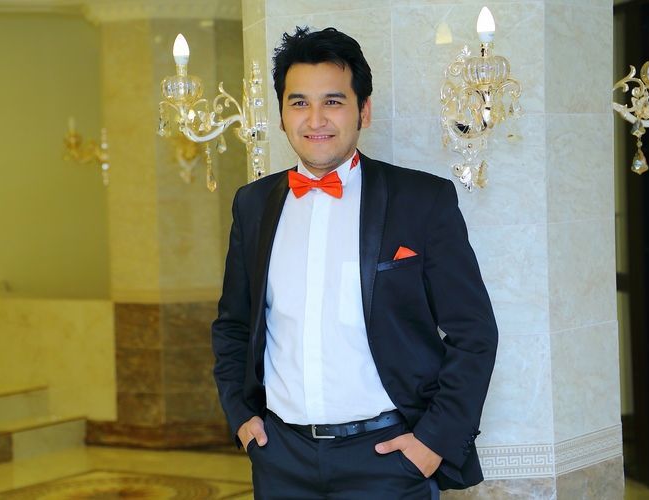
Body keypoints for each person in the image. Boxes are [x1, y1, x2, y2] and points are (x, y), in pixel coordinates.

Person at [212, 26, 498, 499]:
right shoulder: (252, 204)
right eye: (299, 103)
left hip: (388, 459)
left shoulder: (421, 201)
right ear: (281, 115)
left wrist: (432, 443)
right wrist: (242, 417)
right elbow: (234, 326)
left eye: (333, 101)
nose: (315, 119)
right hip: (281, 459)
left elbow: (474, 333)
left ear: (363, 110)